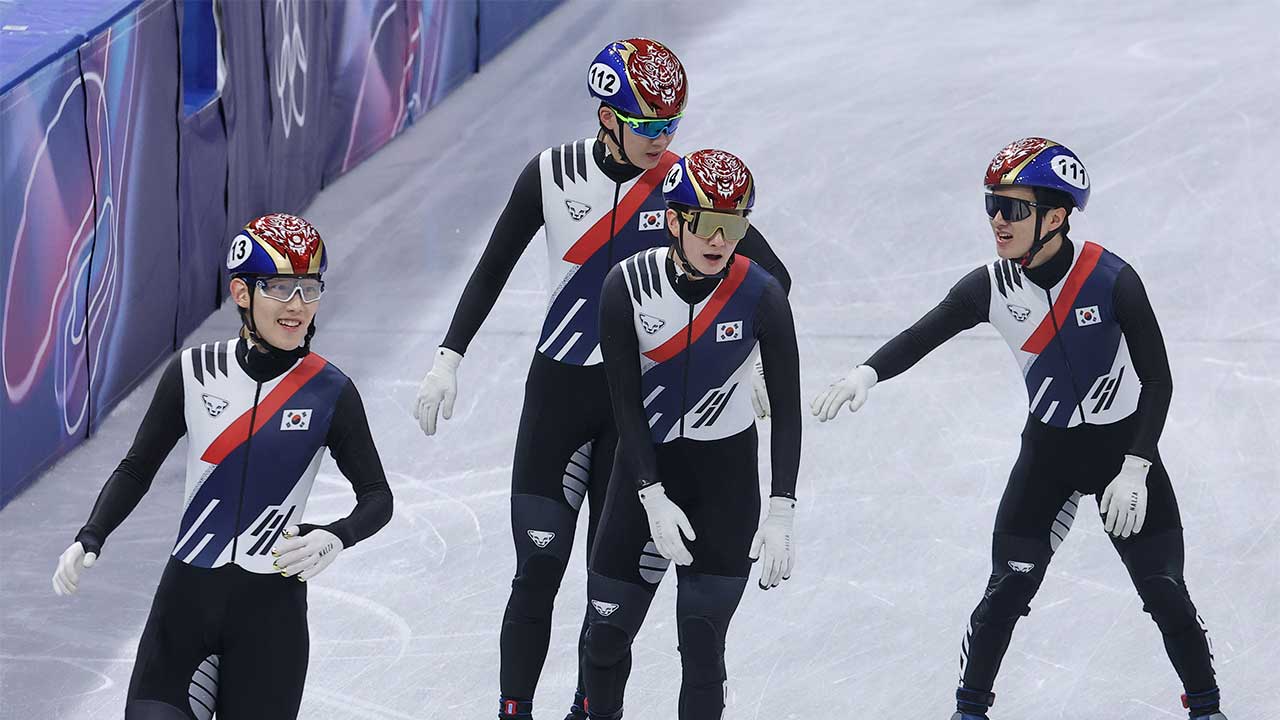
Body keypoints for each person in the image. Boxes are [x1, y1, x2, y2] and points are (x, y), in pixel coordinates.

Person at [411, 39, 790, 720]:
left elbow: (772, 283)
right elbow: (492, 265)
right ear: (606, 116)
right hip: (558, 396)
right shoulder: (552, 173)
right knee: (535, 572)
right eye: (646, 125)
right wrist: (450, 354)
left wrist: (752, 357)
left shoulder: (685, 189)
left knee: (604, 595)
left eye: (670, 124)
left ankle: (588, 711)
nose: (660, 138)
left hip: (633, 412)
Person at [812, 138, 1226, 720]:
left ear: (1055, 217)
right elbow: (922, 334)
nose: (998, 221)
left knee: (1165, 594)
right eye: (991, 205)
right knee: (1004, 593)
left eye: (1013, 209)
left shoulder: (1112, 280)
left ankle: (1206, 709)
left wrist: (1137, 466)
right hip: (1049, 456)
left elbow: (1158, 381)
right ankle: (969, 711)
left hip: (1123, 452)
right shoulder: (991, 285)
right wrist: (866, 372)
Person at [52, 213, 394, 720]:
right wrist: (91, 534)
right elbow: (136, 467)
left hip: (270, 620)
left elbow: (377, 496)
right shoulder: (193, 373)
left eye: (309, 288)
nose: (297, 306)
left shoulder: (331, 391)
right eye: (280, 287)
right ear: (241, 292)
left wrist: (335, 535)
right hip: (184, 608)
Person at [584, 149, 801, 720]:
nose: (721, 240)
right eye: (708, 224)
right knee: (602, 645)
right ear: (675, 219)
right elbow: (624, 405)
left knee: (702, 651)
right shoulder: (624, 286)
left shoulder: (763, 296)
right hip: (645, 480)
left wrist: (781, 511)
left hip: (723, 488)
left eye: (735, 226)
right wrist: (649, 493)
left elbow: (789, 410)